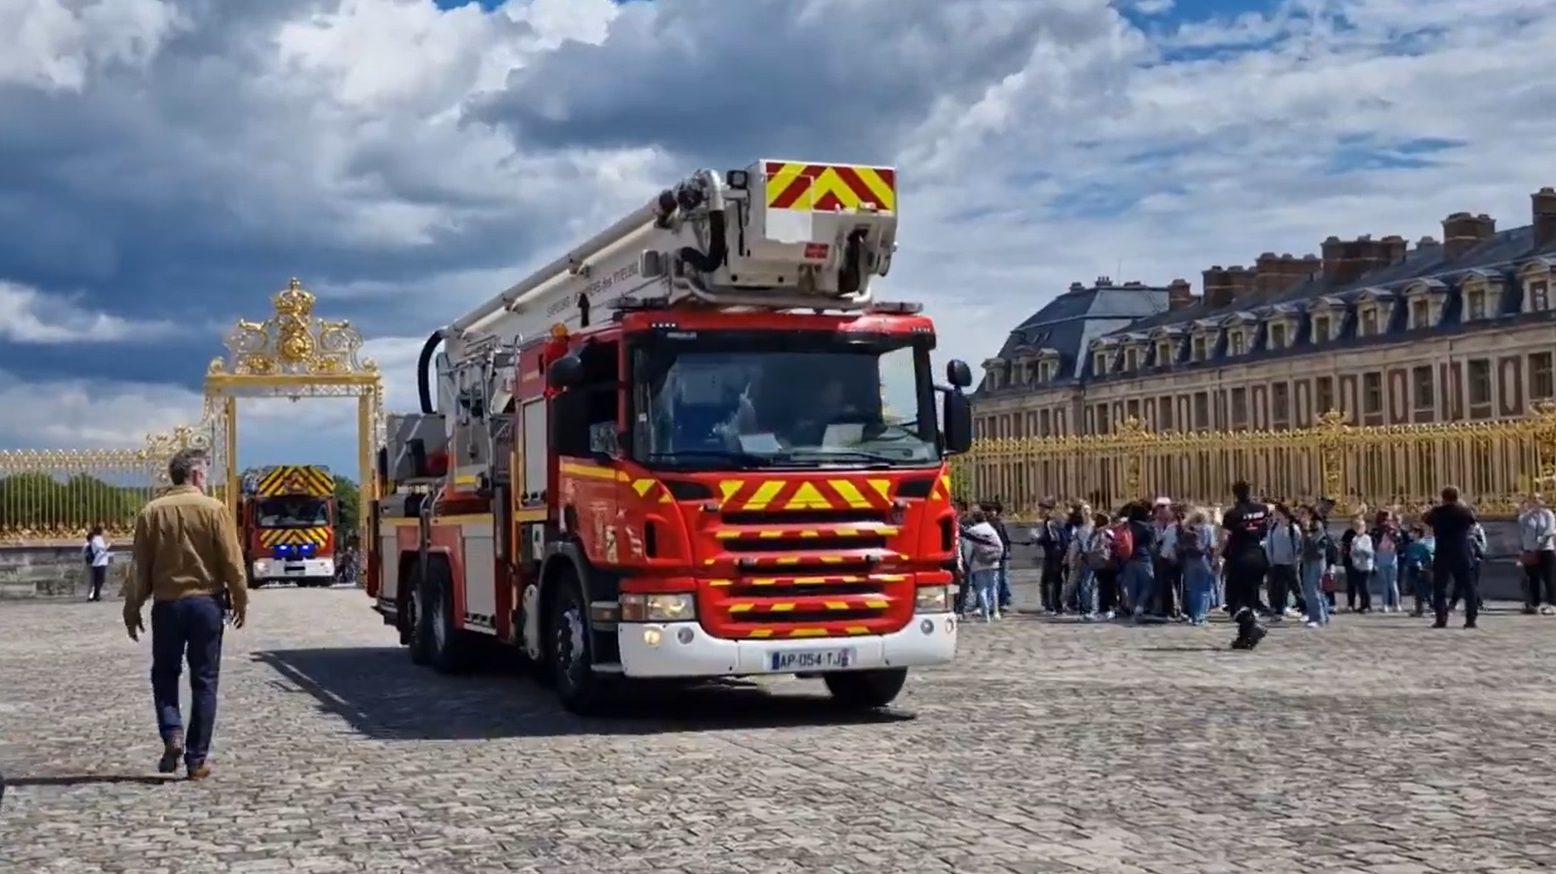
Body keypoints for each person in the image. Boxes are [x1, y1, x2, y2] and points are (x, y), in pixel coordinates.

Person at [124, 448, 249, 780]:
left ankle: (172, 732)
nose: (207, 481)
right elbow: (232, 561)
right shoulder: (214, 510)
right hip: (206, 603)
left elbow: (139, 566)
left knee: (164, 674)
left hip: (167, 604)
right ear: (195, 475)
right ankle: (196, 760)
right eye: (206, 474)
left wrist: (132, 606)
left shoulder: (151, 512)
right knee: (204, 680)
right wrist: (240, 599)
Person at [1423, 485, 1478, 629]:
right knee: (1468, 586)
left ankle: (1441, 619)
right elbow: (1473, 520)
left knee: (1439, 587)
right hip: (1461, 551)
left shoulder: (1437, 512)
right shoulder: (1464, 511)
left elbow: (1425, 519)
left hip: (1442, 552)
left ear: (1443, 497)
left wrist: (1435, 507)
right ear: (1458, 496)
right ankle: (1471, 619)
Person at [1220, 480, 1270, 616]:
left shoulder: (1232, 514)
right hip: (1258, 554)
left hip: (1239, 557)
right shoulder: (1262, 509)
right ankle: (1252, 614)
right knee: (1252, 590)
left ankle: (1247, 623)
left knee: (1236, 595)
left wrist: (1217, 555)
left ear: (1234, 494)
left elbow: (1225, 537)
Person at [1178, 505, 1217, 625]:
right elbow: (1212, 546)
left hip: (1190, 561)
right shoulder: (1209, 529)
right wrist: (1214, 561)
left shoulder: (1187, 529)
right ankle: (1201, 616)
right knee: (1204, 589)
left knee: (1192, 589)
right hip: (1204, 560)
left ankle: (1194, 615)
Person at [1518, 493, 1556, 615]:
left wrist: (1542, 539)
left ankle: (1552, 604)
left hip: (1546, 550)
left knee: (1548, 578)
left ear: (1542, 501)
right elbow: (1522, 531)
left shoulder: (1548, 514)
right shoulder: (1526, 517)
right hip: (1531, 551)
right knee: (1533, 579)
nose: (1535, 501)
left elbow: (1550, 529)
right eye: (1532, 499)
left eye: (1538, 499)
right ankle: (1535, 604)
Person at [962, 510, 1003, 622]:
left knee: (981, 589)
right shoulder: (991, 529)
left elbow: (968, 550)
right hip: (993, 562)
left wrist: (967, 563)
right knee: (993, 587)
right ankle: (995, 612)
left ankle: (986, 615)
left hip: (978, 563)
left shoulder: (972, 531)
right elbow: (1000, 545)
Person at [1263, 503, 1301, 621]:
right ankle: (1278, 610)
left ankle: (1304, 608)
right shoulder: (1273, 527)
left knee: (1296, 588)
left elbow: (1298, 544)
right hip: (1276, 563)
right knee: (1277, 589)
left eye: (1276, 512)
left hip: (1289, 563)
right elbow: (1269, 544)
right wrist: (1270, 559)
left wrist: (1296, 560)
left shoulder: (1292, 528)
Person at [1297, 506, 1332, 628]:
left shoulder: (1317, 526)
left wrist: (1307, 531)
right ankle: (1324, 615)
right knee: (1309, 588)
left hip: (1317, 560)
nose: (1301, 517)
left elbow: (1313, 543)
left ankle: (1317, 618)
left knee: (1313, 588)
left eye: (1303, 514)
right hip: (1307, 559)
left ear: (1310, 515)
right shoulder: (1303, 528)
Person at [83, 525, 111, 602]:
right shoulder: (97, 539)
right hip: (99, 562)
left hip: (98, 562)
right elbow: (102, 548)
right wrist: (109, 544)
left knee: (97, 580)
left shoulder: (95, 539)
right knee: (99, 580)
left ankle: (95, 595)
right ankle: (95, 595)